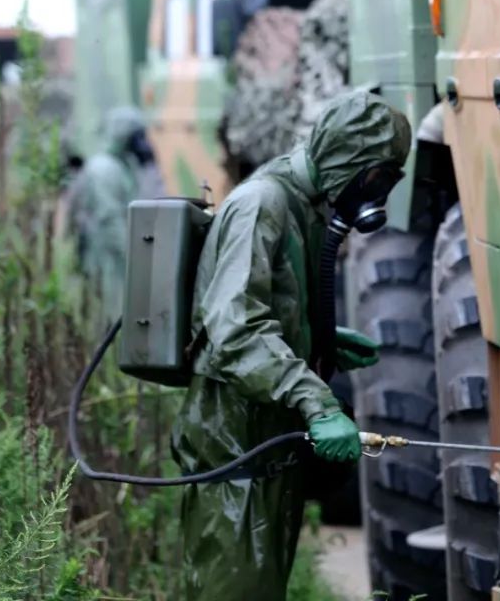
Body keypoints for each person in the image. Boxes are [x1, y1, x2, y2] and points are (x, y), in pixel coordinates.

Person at [172, 90, 411, 600]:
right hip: (234, 448)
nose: (378, 195)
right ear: (349, 161)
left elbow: (265, 301)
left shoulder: (304, 204)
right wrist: (317, 402)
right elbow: (234, 329)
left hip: (263, 446)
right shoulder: (263, 203)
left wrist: (315, 336)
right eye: (378, 179)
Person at [67, 106, 158, 324]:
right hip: (107, 256)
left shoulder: (122, 165)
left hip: (119, 255)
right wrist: (136, 258)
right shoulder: (103, 169)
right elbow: (109, 220)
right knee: (111, 315)